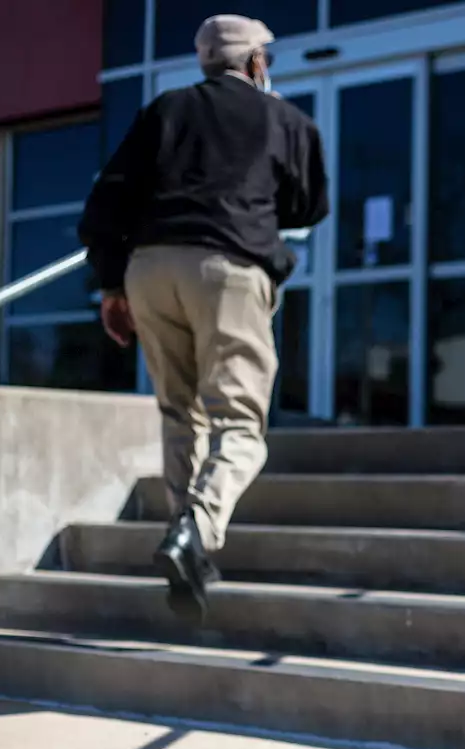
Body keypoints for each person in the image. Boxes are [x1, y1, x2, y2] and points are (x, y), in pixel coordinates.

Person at [79, 14, 329, 616]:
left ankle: (190, 552)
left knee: (179, 411)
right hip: (229, 268)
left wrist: (113, 286)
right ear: (257, 63)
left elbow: (105, 203)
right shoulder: (286, 120)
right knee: (240, 424)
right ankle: (195, 529)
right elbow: (310, 205)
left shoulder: (164, 109)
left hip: (150, 269)